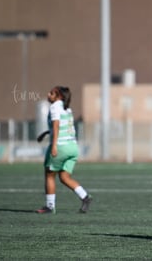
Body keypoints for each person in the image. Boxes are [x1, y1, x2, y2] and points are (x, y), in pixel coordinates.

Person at [36, 86, 92, 214]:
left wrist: (54, 146)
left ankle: (50, 206)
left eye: (52, 93)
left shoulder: (55, 106)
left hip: (60, 146)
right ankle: (85, 197)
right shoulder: (67, 109)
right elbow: (63, 126)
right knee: (64, 177)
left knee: (49, 175)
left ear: (59, 96)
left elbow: (56, 126)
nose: (48, 94)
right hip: (72, 147)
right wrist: (45, 133)